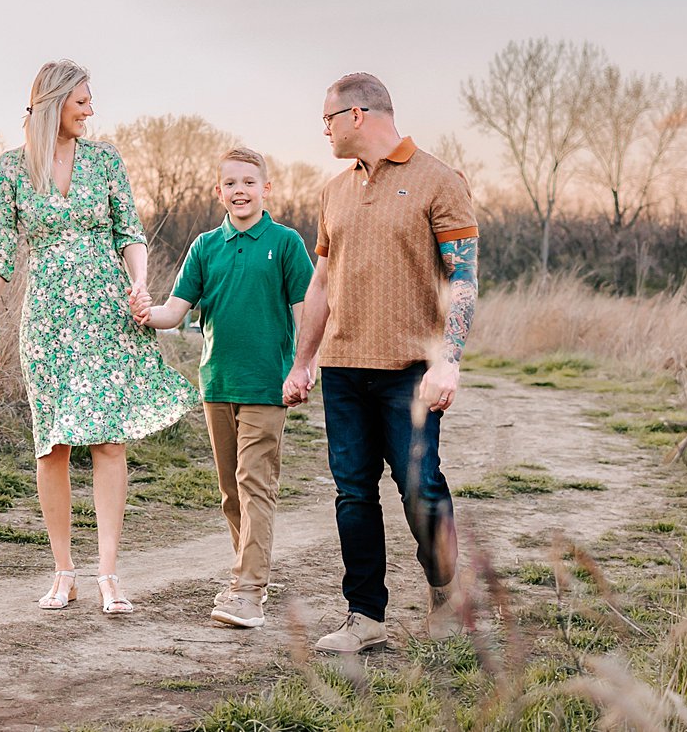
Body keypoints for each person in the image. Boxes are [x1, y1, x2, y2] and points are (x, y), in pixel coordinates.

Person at [0, 59, 198, 616]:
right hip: (48, 319)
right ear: (54, 102)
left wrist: (141, 284)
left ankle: (108, 575)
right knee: (52, 445)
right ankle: (63, 572)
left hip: (106, 315)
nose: (91, 109)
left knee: (108, 440)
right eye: (82, 100)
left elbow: (131, 231)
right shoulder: (11, 170)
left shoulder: (104, 162)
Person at [284, 72, 479, 654]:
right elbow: (321, 282)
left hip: (410, 371)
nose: (323, 129)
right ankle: (365, 616)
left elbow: (462, 280)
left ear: (358, 115)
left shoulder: (440, 181)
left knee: (420, 486)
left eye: (328, 119)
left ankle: (446, 588)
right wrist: (303, 361)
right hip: (344, 370)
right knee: (352, 494)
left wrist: (449, 360)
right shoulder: (334, 190)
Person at [131, 146, 311, 630]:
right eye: (231, 183)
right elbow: (176, 311)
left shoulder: (286, 243)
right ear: (219, 191)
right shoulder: (205, 247)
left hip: (266, 385)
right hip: (217, 383)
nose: (240, 191)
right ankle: (249, 577)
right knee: (231, 492)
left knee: (255, 485)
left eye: (249, 182)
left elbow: (305, 313)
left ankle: (248, 591)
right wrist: (148, 313)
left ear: (265, 189)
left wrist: (303, 367)